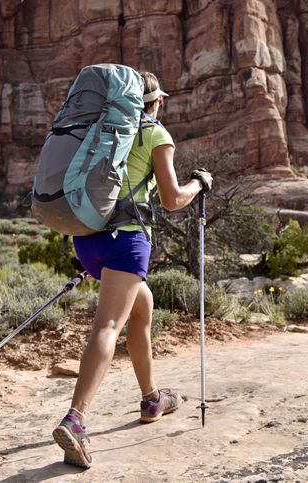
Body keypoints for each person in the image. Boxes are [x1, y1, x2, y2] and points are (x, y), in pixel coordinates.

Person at [51, 70, 213, 469]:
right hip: (126, 242)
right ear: (156, 103)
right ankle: (76, 419)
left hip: (86, 240)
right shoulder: (156, 134)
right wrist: (199, 184)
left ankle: (152, 399)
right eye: (160, 102)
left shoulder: (100, 129)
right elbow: (173, 199)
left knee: (142, 309)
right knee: (108, 325)